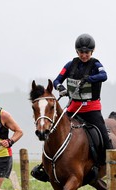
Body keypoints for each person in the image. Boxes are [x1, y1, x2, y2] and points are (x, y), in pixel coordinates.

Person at [31, 33, 111, 182]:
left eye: (87, 52)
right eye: (81, 52)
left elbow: (104, 76)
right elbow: (57, 80)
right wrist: (60, 87)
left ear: (91, 52)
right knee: (54, 131)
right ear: (77, 52)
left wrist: (88, 79)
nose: (84, 55)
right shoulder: (70, 65)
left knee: (104, 137)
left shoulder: (95, 64)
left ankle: (103, 164)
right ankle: (45, 165)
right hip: (73, 108)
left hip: (91, 109)